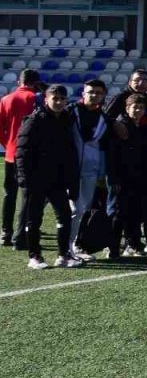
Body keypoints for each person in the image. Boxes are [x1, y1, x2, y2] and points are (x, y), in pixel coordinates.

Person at [16, 85, 82, 268]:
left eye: (63, 98)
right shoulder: (34, 120)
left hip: (57, 179)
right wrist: (24, 180)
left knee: (64, 216)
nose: (59, 102)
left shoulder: (66, 120)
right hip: (36, 180)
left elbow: (69, 152)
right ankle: (35, 257)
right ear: (46, 99)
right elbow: (21, 152)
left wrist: (71, 177)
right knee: (34, 219)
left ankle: (63, 256)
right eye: (55, 98)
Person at [105, 92, 147, 256]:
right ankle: (113, 247)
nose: (138, 110)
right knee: (118, 213)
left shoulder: (144, 127)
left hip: (139, 177)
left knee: (135, 212)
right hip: (122, 177)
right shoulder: (120, 126)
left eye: (142, 108)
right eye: (135, 107)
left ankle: (133, 244)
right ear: (127, 108)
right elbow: (112, 156)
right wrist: (113, 178)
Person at [68, 79, 109, 259]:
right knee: (73, 209)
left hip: (90, 170)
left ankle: (74, 245)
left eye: (98, 93)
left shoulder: (104, 118)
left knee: (82, 209)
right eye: (91, 92)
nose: (94, 95)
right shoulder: (70, 112)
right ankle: (66, 248)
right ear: (83, 93)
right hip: (69, 169)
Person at [0, 68, 39, 248]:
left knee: (9, 193)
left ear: (19, 82)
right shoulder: (36, 99)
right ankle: (20, 235)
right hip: (30, 155)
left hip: (10, 153)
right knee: (27, 196)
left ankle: (5, 233)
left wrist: (8, 143)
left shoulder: (6, 99)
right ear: (36, 83)